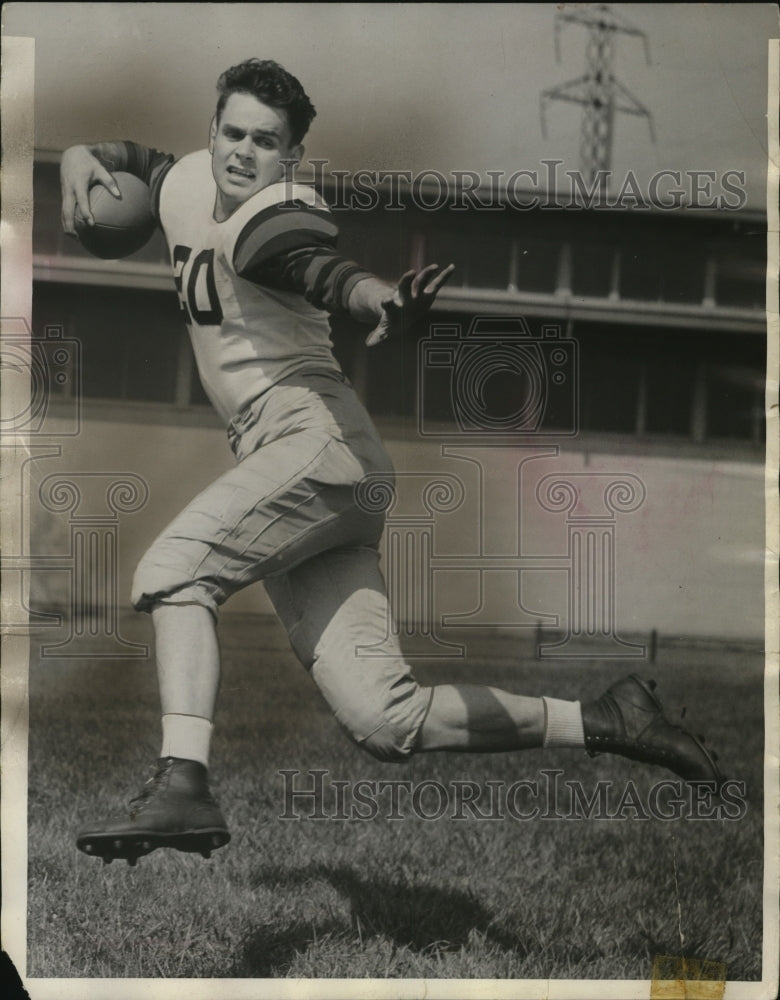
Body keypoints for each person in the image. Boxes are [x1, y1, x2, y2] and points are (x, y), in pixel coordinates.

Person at [60, 59, 722, 866]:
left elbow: (313, 266)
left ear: (292, 158)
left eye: (266, 143)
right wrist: (78, 156)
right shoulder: (188, 180)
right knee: (386, 720)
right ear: (211, 132)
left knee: (173, 569)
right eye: (232, 132)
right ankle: (610, 720)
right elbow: (143, 164)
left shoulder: (281, 210)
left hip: (315, 440)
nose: (243, 154)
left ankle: (184, 781)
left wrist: (380, 298)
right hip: (307, 468)